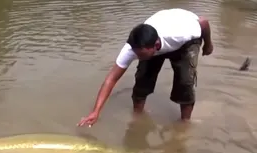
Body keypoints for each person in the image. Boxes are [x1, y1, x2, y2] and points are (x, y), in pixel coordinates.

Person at [77, 8, 213, 127]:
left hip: (185, 43)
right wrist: (95, 112)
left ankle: (185, 122)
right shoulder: (132, 48)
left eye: (141, 54)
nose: (138, 57)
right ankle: (138, 115)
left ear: (156, 45)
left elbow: (203, 22)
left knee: (185, 81)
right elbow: (110, 79)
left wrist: (208, 44)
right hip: (159, 34)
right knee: (142, 76)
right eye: (136, 54)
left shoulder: (181, 33)